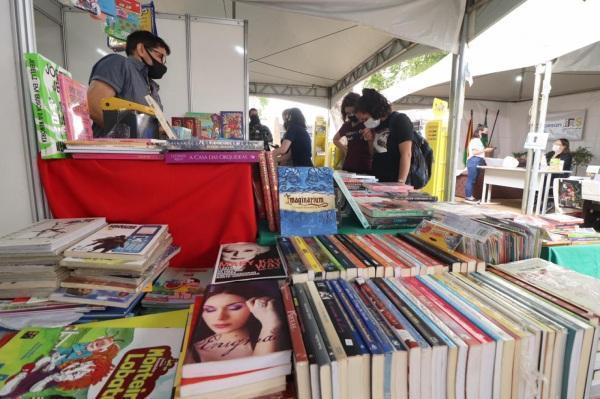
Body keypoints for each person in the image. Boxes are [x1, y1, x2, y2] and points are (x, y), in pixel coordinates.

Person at [87, 30, 171, 135]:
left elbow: (151, 123)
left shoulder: (151, 85)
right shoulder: (119, 63)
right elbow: (94, 105)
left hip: (144, 149)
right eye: (160, 56)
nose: (162, 63)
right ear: (141, 49)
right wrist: (130, 136)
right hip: (115, 149)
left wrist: (163, 129)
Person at [190, 282, 288, 362]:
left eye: (234, 308)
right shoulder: (190, 352)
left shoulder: (282, 337)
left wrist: (270, 324)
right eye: (209, 310)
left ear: (254, 305)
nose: (220, 317)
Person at [354, 88, 412, 183]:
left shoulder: (400, 120)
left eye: (365, 119)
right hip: (378, 181)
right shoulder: (376, 125)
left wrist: (401, 183)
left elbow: (406, 154)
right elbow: (375, 155)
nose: (364, 123)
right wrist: (370, 140)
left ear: (374, 110)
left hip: (395, 181)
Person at [332, 92, 371, 174]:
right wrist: (345, 150)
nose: (351, 115)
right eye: (348, 113)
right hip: (348, 166)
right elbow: (335, 139)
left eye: (353, 112)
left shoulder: (366, 123)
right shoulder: (347, 125)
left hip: (364, 167)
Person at [465, 124, 494, 203]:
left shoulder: (478, 141)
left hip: (477, 160)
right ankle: (468, 196)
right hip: (474, 160)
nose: (487, 133)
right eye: (486, 131)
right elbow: (474, 152)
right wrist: (485, 150)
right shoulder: (475, 140)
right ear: (480, 131)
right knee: (471, 180)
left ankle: (470, 196)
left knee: (473, 180)